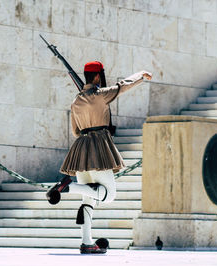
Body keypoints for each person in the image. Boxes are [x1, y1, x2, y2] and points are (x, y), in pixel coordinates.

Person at [47, 61, 152, 254]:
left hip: (80, 150)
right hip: (98, 147)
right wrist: (140, 75)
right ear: (97, 77)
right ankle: (68, 187)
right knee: (109, 195)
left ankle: (87, 242)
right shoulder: (101, 95)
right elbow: (122, 86)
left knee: (89, 199)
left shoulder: (76, 101)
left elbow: (76, 131)